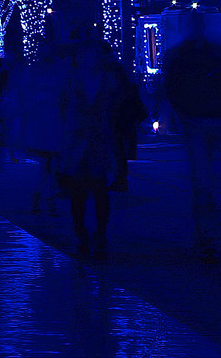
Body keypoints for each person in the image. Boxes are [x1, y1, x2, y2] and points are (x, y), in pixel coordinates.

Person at [159, 9, 221, 259]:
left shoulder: (181, 55)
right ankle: (210, 233)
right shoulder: (214, 52)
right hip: (207, 119)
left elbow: (172, 87)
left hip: (201, 119)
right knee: (207, 179)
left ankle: (208, 232)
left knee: (204, 179)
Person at [46, 16, 130, 260]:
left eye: (94, 53)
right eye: (87, 54)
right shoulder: (72, 81)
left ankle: (100, 234)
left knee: (99, 189)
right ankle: (81, 232)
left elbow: (119, 106)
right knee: (80, 191)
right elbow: (62, 107)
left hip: (100, 139)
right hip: (77, 140)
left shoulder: (110, 81)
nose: (90, 57)